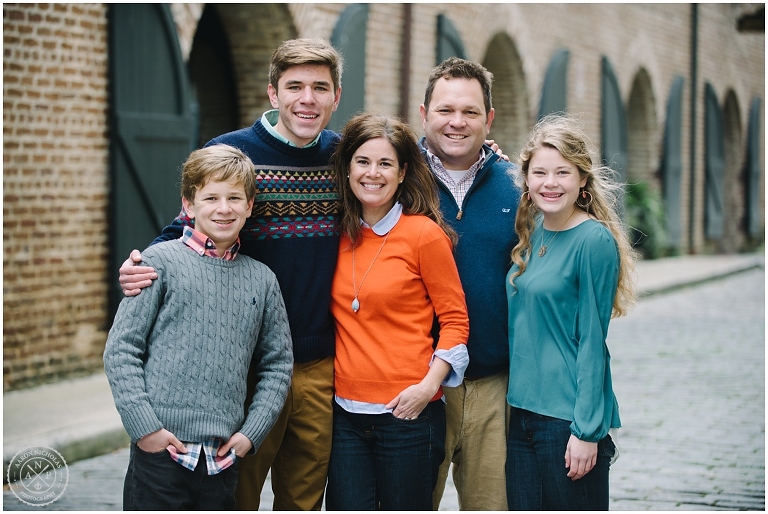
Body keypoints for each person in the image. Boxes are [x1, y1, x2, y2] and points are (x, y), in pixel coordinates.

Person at [117, 38, 343, 510]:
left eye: (320, 87)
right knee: (237, 494)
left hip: (321, 364)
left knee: (304, 498)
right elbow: (186, 229)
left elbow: (405, 170)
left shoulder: (346, 160)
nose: (308, 99)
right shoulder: (231, 152)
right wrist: (139, 267)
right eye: (294, 86)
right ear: (273, 93)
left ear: (336, 97)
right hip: (242, 370)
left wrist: (486, 156)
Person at [103, 144, 293, 510]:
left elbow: (278, 364)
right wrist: (146, 430)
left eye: (235, 198)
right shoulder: (157, 263)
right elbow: (121, 350)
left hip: (221, 461)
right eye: (211, 198)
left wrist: (249, 435)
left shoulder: (262, 280)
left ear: (250, 205)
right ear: (189, 205)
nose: (224, 209)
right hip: (160, 455)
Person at [325, 112, 469, 510]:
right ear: (348, 168)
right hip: (344, 416)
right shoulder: (332, 233)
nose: (374, 173)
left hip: (409, 413)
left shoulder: (423, 235)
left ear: (403, 172)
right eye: (363, 161)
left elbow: (455, 321)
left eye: (385, 163)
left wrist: (428, 387)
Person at [505, 113, 637, 510]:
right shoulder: (534, 231)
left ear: (582, 180)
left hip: (566, 420)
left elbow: (593, 342)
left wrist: (587, 431)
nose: (550, 183)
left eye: (562, 172)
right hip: (522, 413)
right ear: (526, 179)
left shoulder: (593, 241)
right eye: (540, 172)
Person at [420, 57, 519, 510]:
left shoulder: (520, 187)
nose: (456, 122)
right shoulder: (394, 180)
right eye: (445, 110)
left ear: (489, 119)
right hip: (416, 386)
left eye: (470, 112)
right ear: (424, 114)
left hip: (494, 386)